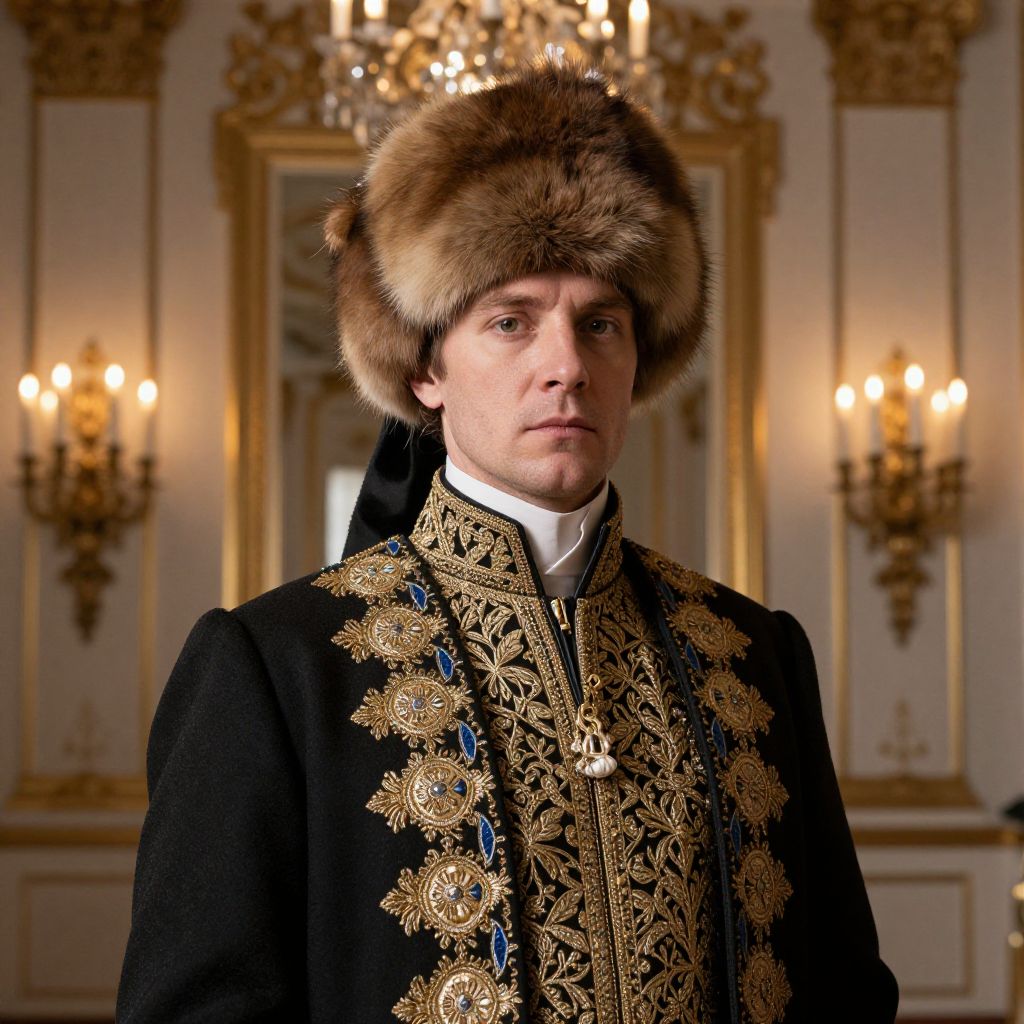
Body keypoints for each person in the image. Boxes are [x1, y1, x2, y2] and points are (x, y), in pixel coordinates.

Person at [117, 59, 898, 1023]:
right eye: (511, 322)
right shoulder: (275, 668)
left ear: (638, 361)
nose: (566, 366)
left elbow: (844, 1000)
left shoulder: (754, 655)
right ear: (425, 370)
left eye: (600, 323)